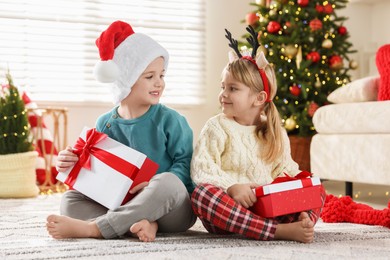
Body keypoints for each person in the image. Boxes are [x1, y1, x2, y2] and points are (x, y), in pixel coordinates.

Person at [46, 20, 196, 242]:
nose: (159, 83)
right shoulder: (105, 123)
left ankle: (96, 228)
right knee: (70, 200)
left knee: (168, 182)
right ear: (126, 80)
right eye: (149, 76)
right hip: (124, 203)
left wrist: (153, 184)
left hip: (170, 209)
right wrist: (70, 163)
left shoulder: (172, 120)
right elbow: (95, 174)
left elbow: (185, 166)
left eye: (162, 75)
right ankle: (139, 224)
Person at [190, 26, 325, 243]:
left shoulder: (276, 132)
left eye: (233, 89)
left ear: (259, 98)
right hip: (229, 213)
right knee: (202, 195)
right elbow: (202, 168)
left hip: (269, 207)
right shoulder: (216, 127)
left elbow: (286, 170)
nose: (223, 94)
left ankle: (301, 221)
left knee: (315, 187)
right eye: (223, 86)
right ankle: (277, 232)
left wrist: (299, 189)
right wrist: (232, 187)